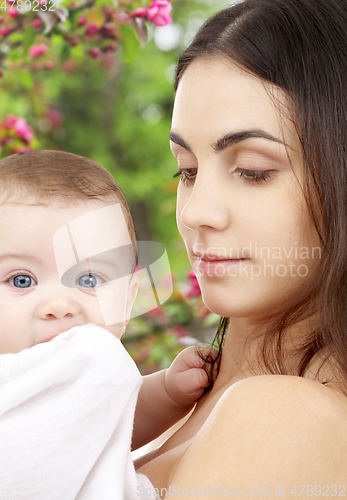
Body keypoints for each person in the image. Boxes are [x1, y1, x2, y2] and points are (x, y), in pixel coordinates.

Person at [135, 0, 347, 496]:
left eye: (253, 170)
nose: (193, 212)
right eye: (187, 170)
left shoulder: (287, 418)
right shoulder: (168, 403)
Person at [0, 150, 213, 499]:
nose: (58, 306)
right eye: (22, 280)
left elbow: (106, 419)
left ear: (127, 302)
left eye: (88, 279)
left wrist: (168, 393)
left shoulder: (97, 362)